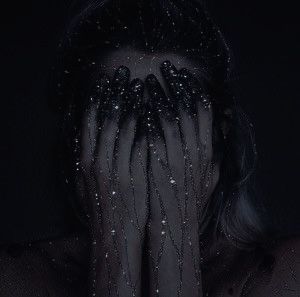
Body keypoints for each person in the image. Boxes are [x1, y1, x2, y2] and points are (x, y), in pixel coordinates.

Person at [0, 0, 299, 296]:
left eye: (172, 119)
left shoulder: (284, 276)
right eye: (119, 118)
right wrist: (116, 257)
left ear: (217, 138)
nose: (148, 151)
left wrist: (173, 249)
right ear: (79, 141)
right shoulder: (14, 280)